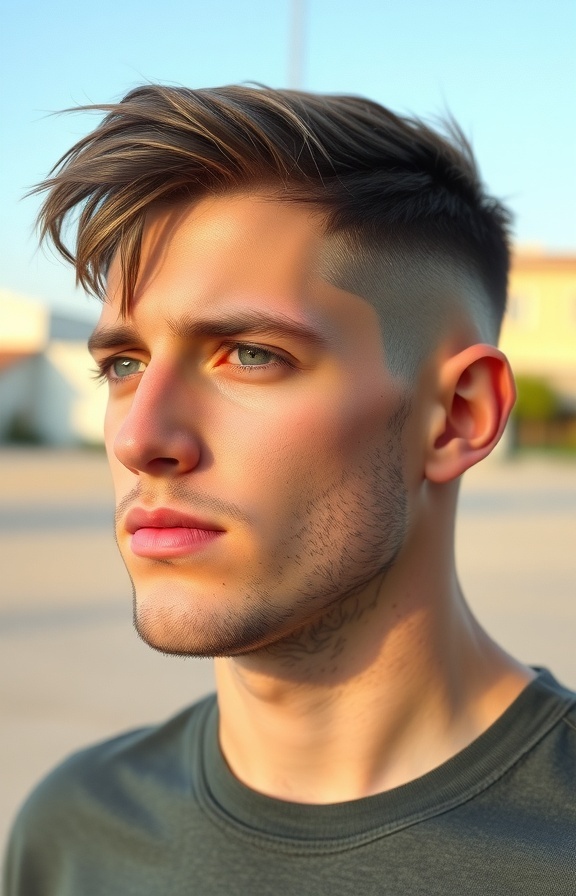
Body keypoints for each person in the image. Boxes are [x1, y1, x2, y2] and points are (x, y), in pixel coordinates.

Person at [4, 85, 575, 894]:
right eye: (124, 365)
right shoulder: (74, 831)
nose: (139, 439)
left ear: (456, 417)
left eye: (251, 355)